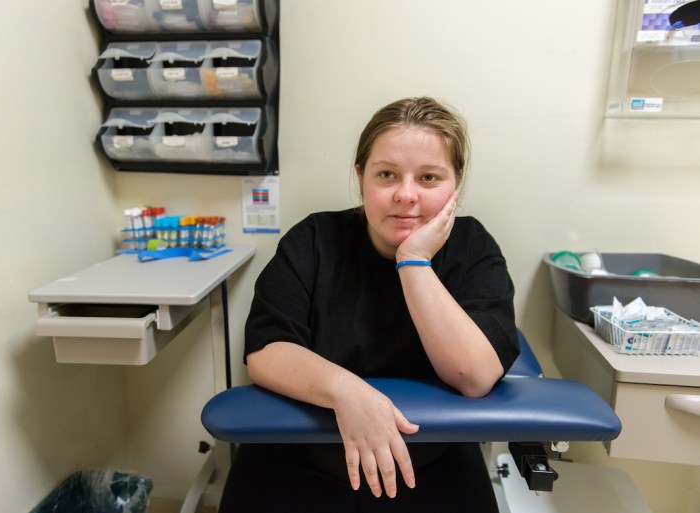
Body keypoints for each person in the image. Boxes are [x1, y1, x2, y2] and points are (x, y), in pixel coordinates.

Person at [218, 96, 520, 513]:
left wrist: (413, 261)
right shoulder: (314, 239)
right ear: (361, 176)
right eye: (387, 175)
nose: (406, 195)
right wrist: (347, 392)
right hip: (303, 457)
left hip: (429, 464)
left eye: (429, 178)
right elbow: (267, 351)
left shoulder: (473, 247)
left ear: (457, 184)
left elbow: (475, 375)